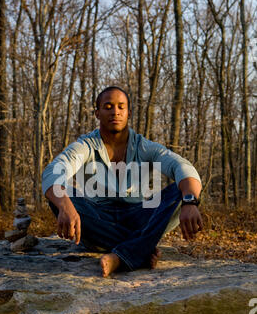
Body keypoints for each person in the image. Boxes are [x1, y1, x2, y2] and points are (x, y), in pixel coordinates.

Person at [42, 86, 203, 278]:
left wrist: (190, 201)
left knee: (180, 192)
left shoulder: (144, 146)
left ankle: (124, 254)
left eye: (121, 107)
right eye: (108, 106)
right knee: (59, 194)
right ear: (97, 113)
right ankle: (140, 250)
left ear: (129, 113)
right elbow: (56, 169)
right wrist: (65, 206)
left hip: (138, 217)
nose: (115, 112)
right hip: (97, 218)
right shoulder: (86, 145)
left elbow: (180, 166)